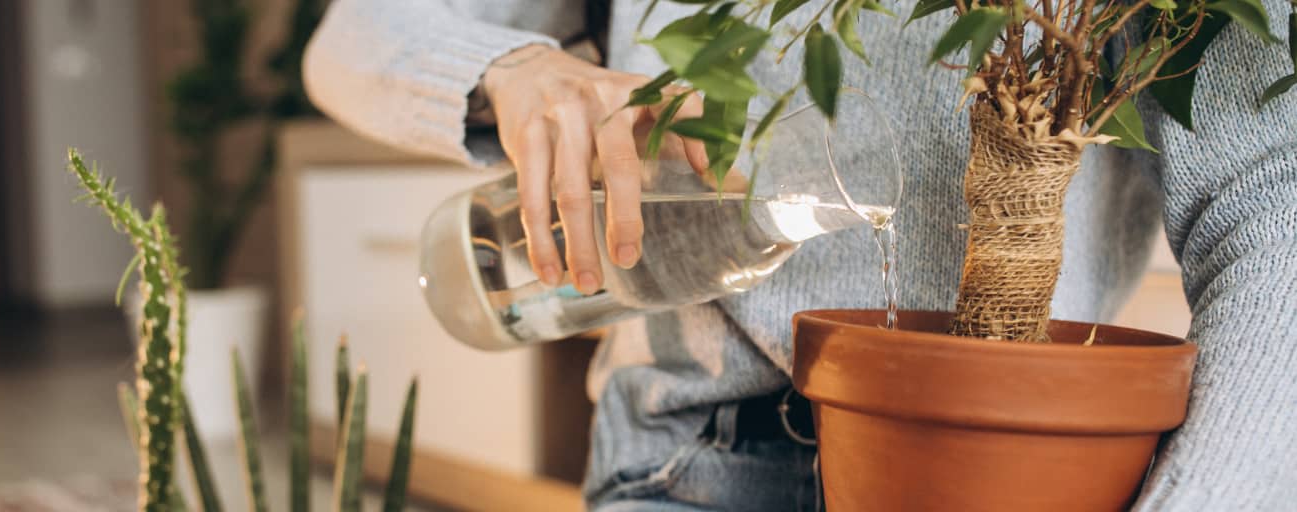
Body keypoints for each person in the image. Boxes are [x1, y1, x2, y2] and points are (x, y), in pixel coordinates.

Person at [303, 1, 1297, 510]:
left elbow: (1268, 189)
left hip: (1020, 468)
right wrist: (508, 67)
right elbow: (356, 33)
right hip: (695, 453)